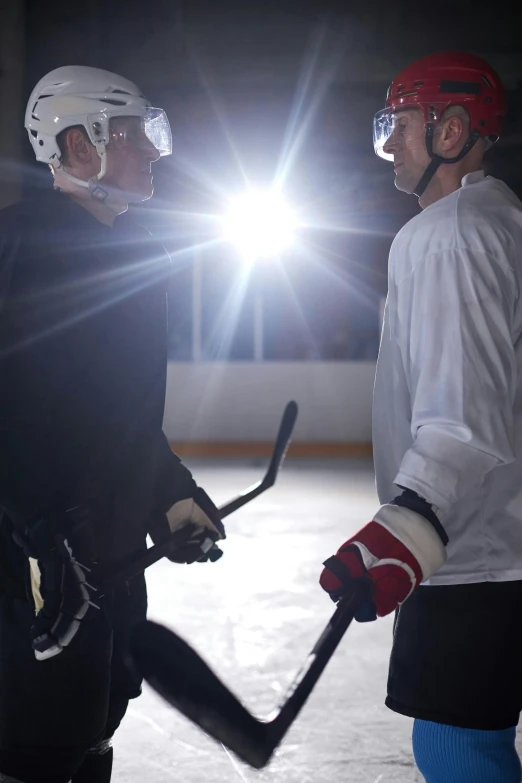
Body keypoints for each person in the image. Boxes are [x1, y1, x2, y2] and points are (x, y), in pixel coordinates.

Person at [0, 65, 226, 783]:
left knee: (97, 714)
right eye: (134, 134)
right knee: (37, 730)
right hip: (37, 556)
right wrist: (39, 536)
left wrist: (171, 493)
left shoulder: (135, 250)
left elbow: (113, 413)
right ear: (77, 144)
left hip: (104, 545)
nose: (155, 151)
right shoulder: (18, 247)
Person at [319, 51, 522, 782]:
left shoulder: (448, 233)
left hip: (476, 552)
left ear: (452, 131)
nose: (389, 143)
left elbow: (462, 410)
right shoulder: (502, 221)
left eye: (400, 124)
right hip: (500, 543)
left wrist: (409, 521)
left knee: (459, 746)